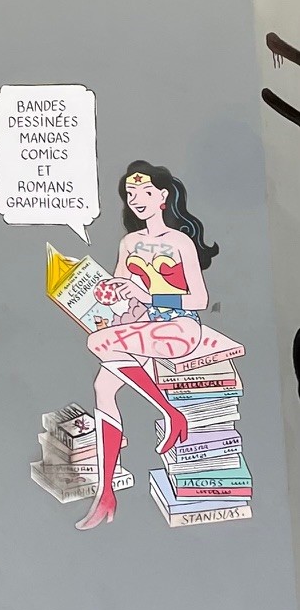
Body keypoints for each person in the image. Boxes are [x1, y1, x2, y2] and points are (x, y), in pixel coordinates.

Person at [77, 161, 221, 530]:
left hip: (179, 328)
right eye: (130, 194)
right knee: (103, 386)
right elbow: (123, 293)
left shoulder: (180, 242)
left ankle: (171, 412)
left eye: (145, 192)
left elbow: (200, 299)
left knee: (98, 343)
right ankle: (106, 491)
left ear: (163, 196)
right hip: (141, 328)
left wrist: (149, 295)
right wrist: (110, 294)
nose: (137, 199)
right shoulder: (128, 243)